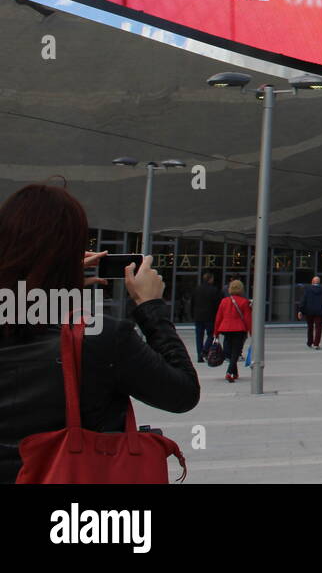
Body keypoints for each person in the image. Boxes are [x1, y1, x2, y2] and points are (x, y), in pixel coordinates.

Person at [0, 184, 200, 484]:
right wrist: (150, 307)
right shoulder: (101, 337)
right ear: (69, 253)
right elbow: (182, 393)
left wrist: (57, 288)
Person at [213, 279, 253, 382]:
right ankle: (229, 372)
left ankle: (234, 373)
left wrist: (215, 332)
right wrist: (251, 331)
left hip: (226, 329)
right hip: (239, 330)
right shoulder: (244, 302)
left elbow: (218, 317)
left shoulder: (224, 301)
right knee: (235, 352)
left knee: (229, 352)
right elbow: (248, 318)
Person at [191, 271, 221, 362]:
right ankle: (205, 349)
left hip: (198, 316)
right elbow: (217, 304)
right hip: (210, 316)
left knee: (199, 336)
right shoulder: (214, 290)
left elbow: (192, 303)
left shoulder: (197, 289)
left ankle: (200, 356)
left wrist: (192, 314)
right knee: (211, 334)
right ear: (210, 279)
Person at [297, 275, 322, 350]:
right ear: (319, 282)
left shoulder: (307, 289)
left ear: (312, 281)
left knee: (310, 327)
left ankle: (309, 342)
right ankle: (316, 344)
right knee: (318, 328)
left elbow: (303, 300)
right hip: (319, 312)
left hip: (309, 311)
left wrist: (300, 310)